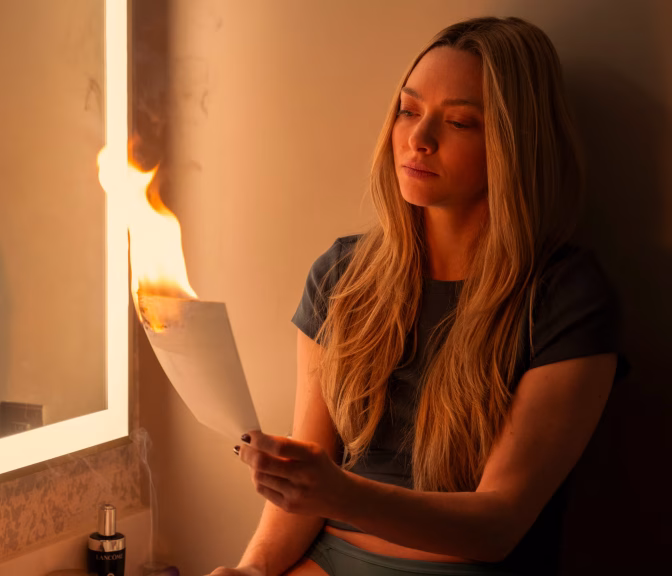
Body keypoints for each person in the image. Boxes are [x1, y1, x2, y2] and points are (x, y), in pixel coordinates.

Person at [208, 16, 629, 576]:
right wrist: (251, 571)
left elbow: (497, 526)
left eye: (458, 122)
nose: (418, 138)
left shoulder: (565, 298)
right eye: (408, 110)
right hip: (327, 559)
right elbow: (306, 489)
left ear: (514, 142)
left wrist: (337, 493)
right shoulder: (341, 276)